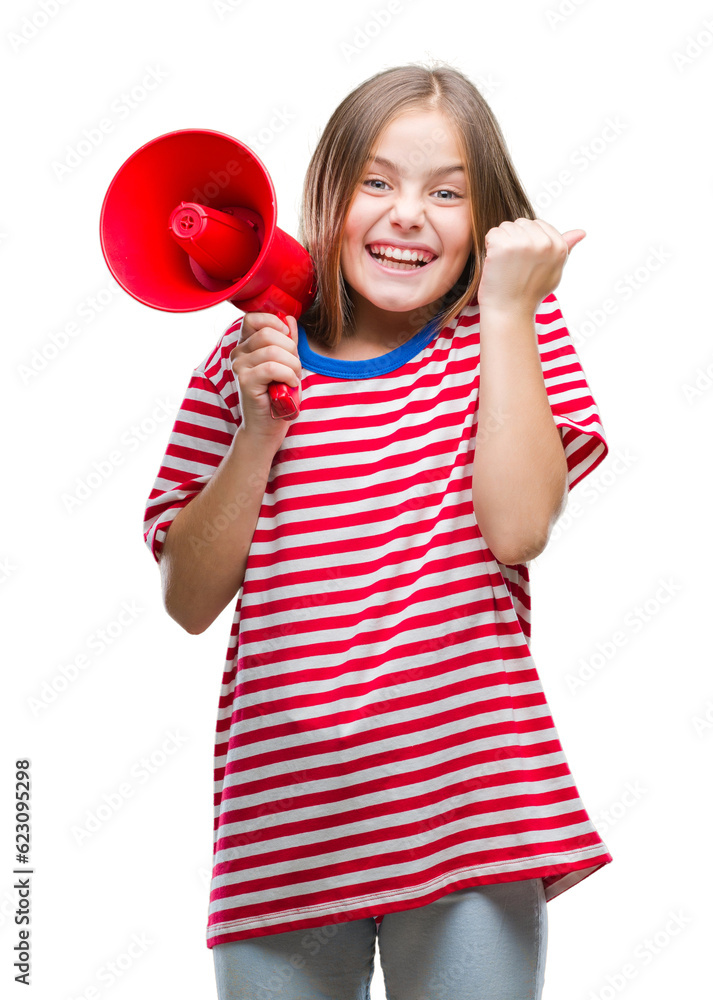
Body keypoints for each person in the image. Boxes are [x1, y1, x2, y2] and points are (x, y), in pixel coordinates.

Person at [143, 62, 612, 1000]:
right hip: (279, 841)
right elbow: (189, 600)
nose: (407, 214)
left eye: (447, 192)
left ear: (484, 222)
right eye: (376, 181)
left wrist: (510, 307)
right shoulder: (237, 368)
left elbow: (518, 526)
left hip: (468, 818)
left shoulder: (502, 337)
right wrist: (259, 428)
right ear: (326, 194)